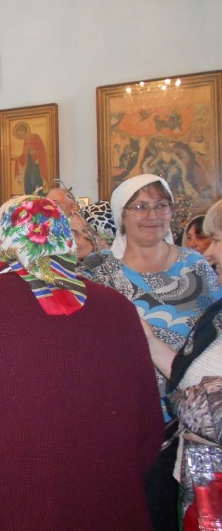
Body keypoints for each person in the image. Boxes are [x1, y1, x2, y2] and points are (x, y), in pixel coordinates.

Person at [0, 195, 164, 531]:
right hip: (105, 508)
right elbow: (148, 426)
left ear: (2, 238)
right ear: (64, 238)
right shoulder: (119, 310)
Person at [82, 173, 222, 531]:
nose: (152, 215)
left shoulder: (197, 266)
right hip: (121, 415)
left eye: (161, 205)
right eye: (140, 207)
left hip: (191, 421)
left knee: (178, 512)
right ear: (122, 215)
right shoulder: (97, 270)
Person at [12, 121, 47, 195]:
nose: (21, 135)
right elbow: (24, 155)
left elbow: (42, 149)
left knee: (34, 180)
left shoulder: (35, 137)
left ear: (24, 130)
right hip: (29, 164)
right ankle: (29, 197)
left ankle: (37, 195)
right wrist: (18, 158)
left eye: (21, 133)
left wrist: (35, 152)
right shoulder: (25, 141)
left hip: (36, 163)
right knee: (27, 180)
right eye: (19, 134)